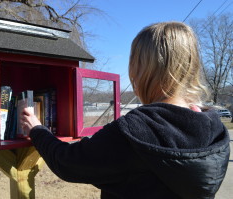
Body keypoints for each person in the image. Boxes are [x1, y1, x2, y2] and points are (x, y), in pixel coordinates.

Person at [20, 22, 230, 199]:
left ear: (142, 69)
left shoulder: (134, 130)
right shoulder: (213, 128)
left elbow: (69, 162)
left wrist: (37, 129)